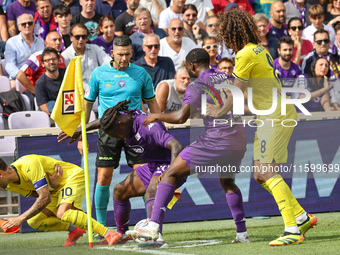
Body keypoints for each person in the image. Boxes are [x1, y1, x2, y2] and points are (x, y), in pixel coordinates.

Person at [208, 8, 317, 246]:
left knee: (266, 171)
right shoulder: (258, 49)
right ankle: (301, 217)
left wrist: (218, 111)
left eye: (225, 34)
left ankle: (292, 230)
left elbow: (236, 92)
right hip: (271, 113)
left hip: (275, 115)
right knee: (260, 175)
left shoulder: (245, 54)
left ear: (233, 32)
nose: (224, 40)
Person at [129, 48, 251, 244]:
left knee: (169, 174)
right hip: (238, 139)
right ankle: (242, 234)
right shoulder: (226, 78)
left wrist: (156, 115)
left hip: (216, 140)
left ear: (193, 66)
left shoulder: (197, 85)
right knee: (228, 182)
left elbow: (180, 117)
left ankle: (153, 227)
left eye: (187, 66)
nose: (188, 69)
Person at [58, 100, 185, 248]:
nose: (115, 137)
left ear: (121, 125)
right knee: (119, 191)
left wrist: (170, 173)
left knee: (151, 190)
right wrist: (82, 129)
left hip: (170, 164)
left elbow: (176, 146)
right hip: (152, 166)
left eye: (114, 134)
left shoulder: (148, 127)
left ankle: (156, 237)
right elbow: (104, 121)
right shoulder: (122, 118)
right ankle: (122, 235)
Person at [80, 35, 161, 239]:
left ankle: (150, 226)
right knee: (103, 177)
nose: (123, 58)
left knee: (145, 177)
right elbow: (88, 104)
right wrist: (82, 134)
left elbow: (151, 103)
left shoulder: (141, 73)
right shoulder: (98, 74)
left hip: (136, 132)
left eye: (127, 54)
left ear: (132, 53)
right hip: (108, 132)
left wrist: (160, 126)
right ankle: (100, 228)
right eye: (120, 54)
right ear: (112, 53)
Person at [0, 155, 122, 246]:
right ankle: (75, 230)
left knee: (62, 213)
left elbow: (45, 198)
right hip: (54, 190)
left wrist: (20, 218)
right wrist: (52, 186)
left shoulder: (29, 164)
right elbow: (38, 195)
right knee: (34, 221)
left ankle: (109, 233)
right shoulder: (9, 185)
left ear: (0, 174)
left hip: (72, 177)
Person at [16, 31, 65, 110]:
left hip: (55, 93)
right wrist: (37, 92)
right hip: (37, 93)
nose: (58, 42)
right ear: (46, 43)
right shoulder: (37, 57)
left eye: (59, 40)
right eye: (54, 40)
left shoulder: (61, 58)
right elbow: (20, 76)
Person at [62, 23, 112, 89]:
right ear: (71, 38)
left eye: (83, 37)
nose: (81, 40)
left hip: (97, 90)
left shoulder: (95, 48)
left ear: (87, 38)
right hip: (77, 93)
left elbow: (107, 61)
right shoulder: (65, 56)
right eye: (77, 37)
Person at [4, 13, 45, 90]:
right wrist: (23, 77)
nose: (27, 26)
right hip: (17, 79)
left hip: (37, 79)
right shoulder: (11, 42)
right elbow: (9, 66)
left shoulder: (41, 43)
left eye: (30, 23)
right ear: (19, 27)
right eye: (23, 24)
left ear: (33, 25)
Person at [35, 47, 64, 115]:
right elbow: (44, 108)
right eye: (47, 60)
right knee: (52, 104)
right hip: (51, 114)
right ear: (42, 63)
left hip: (68, 107)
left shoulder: (67, 74)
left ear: (59, 60)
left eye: (54, 59)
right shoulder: (40, 83)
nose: (51, 62)